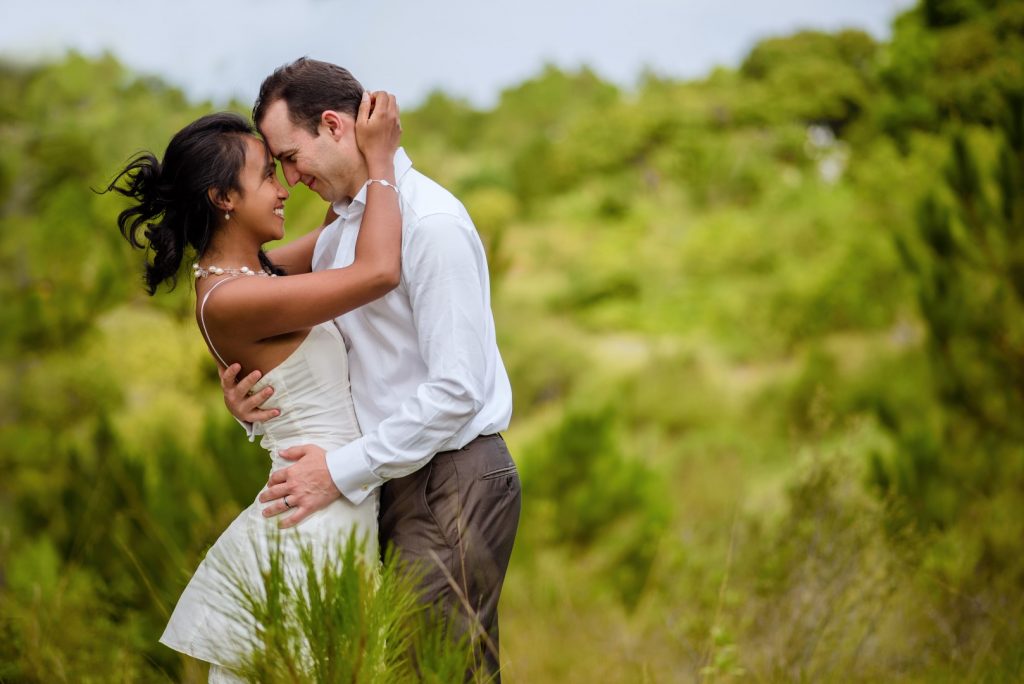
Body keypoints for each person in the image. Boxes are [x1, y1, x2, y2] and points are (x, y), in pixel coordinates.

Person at [220, 58, 521, 680]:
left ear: (333, 125)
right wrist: (258, 398)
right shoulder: (341, 233)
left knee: (434, 672)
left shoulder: (429, 225)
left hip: (451, 478)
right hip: (398, 477)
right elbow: (284, 315)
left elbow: (457, 391)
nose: (290, 177)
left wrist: (339, 471)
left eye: (290, 156)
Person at [108, 93, 403, 682]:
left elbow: (338, 226)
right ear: (223, 199)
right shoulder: (237, 298)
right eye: (269, 175)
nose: (285, 187)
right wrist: (383, 162)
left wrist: (344, 148)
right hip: (313, 518)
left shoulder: (256, 275)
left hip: (332, 499)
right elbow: (376, 270)